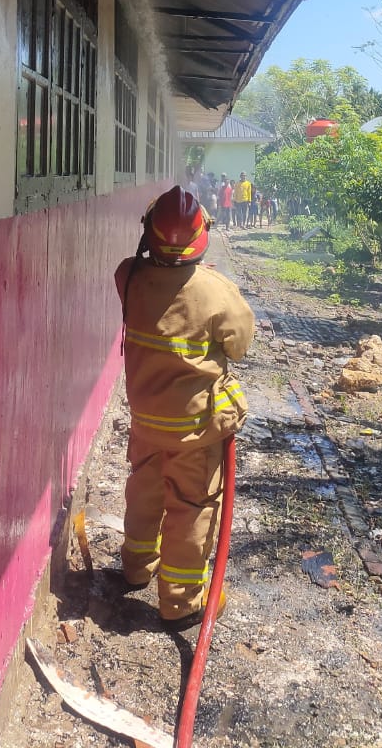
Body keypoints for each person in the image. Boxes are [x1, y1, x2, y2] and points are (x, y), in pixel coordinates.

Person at [114, 186, 255, 625]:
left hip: (145, 422)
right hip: (194, 430)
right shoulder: (216, 290)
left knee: (145, 490)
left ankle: (136, 568)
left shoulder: (128, 275)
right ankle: (178, 603)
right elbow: (240, 345)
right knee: (191, 508)